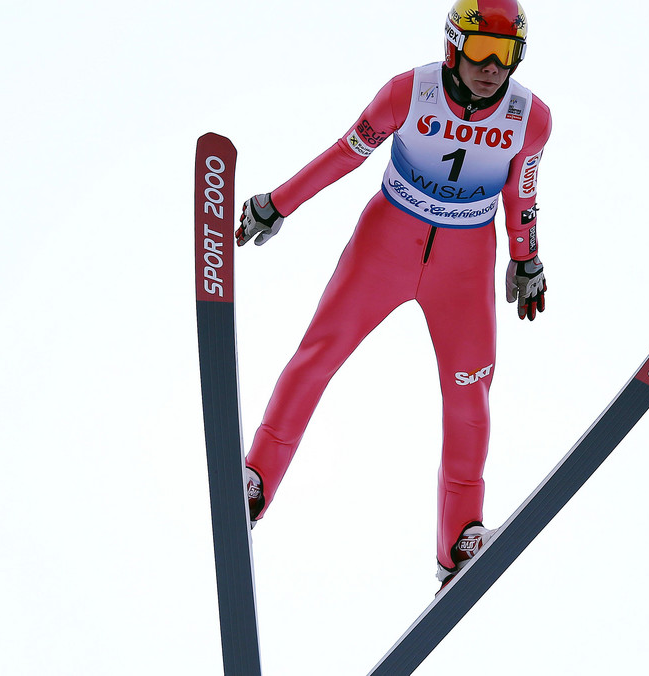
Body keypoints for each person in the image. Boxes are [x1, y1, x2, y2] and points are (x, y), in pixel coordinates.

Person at [236, 0, 552, 587]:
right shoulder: (409, 93)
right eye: (481, 51)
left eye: (505, 55)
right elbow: (344, 154)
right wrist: (277, 202)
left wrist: (527, 257)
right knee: (317, 356)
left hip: (464, 263)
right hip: (388, 242)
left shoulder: (529, 117)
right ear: (453, 46)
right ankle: (254, 479)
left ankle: (458, 539)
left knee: (469, 399)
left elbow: (522, 191)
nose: (491, 68)